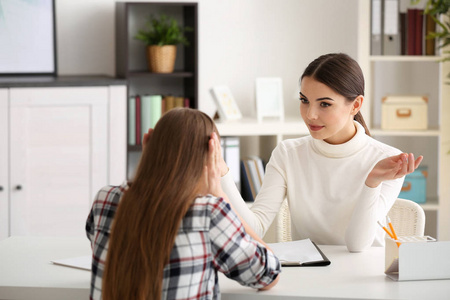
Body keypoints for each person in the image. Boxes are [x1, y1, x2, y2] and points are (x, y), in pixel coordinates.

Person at [220, 53, 423, 253]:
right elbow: (254, 228)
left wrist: (372, 183)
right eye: (304, 100)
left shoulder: (386, 160)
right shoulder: (288, 154)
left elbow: (357, 245)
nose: (310, 115)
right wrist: (222, 173)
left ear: (356, 105)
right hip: (311, 273)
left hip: (366, 275)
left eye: (324, 104)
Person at [86, 108, 281, 300]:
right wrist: (222, 197)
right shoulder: (209, 213)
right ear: (211, 159)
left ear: (148, 145)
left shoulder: (105, 199)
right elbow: (270, 273)